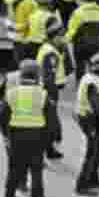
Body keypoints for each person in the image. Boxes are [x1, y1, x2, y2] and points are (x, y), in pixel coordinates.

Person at [0, 60, 51, 197]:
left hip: (16, 135)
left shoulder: (12, 93)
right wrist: (47, 139)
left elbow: (3, 117)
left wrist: (6, 135)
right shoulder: (42, 94)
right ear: (37, 76)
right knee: (36, 171)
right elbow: (51, 119)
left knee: (14, 170)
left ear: (21, 75)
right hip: (37, 136)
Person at [75, 49, 99, 195]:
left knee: (96, 149)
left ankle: (93, 179)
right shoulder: (93, 81)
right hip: (88, 119)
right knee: (92, 151)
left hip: (91, 118)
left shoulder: (94, 78)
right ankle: (82, 185)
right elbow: (97, 105)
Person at [35, 20, 68, 160]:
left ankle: (49, 149)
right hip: (49, 90)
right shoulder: (50, 53)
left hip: (48, 89)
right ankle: (46, 151)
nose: (64, 39)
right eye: (61, 37)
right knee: (49, 121)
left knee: (48, 121)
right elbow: (48, 77)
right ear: (55, 37)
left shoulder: (48, 48)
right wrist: (50, 96)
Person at [65, 0, 99, 84]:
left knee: (80, 65)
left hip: (80, 45)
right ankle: (94, 84)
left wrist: (65, 40)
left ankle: (80, 85)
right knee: (94, 65)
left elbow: (72, 30)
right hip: (96, 44)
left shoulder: (78, 12)